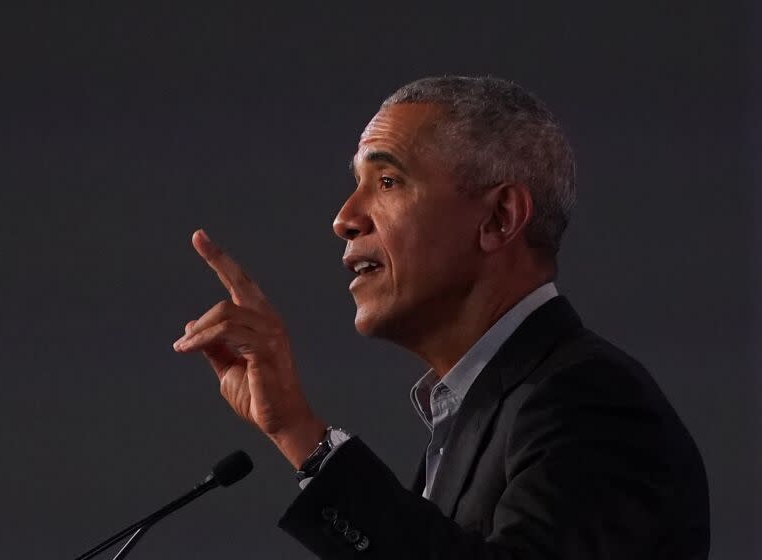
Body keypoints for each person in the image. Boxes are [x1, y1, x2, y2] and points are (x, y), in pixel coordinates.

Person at [171, 76, 710, 558]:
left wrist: (303, 435)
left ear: (499, 219)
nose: (344, 218)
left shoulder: (590, 401)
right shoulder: (486, 409)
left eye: (387, 182)